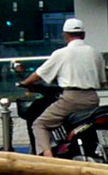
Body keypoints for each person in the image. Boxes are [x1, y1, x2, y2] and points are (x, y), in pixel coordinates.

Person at [18, 17, 103, 157]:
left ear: (65, 35)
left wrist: (26, 82)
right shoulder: (95, 53)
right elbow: (101, 79)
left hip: (71, 99)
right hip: (93, 99)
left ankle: (48, 157)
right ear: (84, 34)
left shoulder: (61, 53)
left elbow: (39, 73)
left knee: (40, 124)